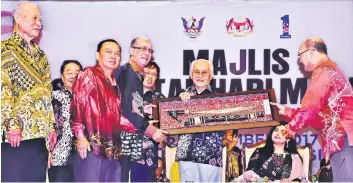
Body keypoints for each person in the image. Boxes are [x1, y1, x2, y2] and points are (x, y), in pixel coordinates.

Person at [271, 37, 353, 182]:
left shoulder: (323, 71)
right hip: (343, 137)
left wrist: (290, 128)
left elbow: (310, 108)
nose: (300, 60)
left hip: (343, 137)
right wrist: (287, 112)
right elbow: (320, 115)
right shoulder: (331, 70)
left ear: (312, 51)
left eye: (300, 55)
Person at [1, 1, 56, 181]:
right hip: (16, 137)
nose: (39, 23)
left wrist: (52, 128)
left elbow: (48, 94)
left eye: (40, 19)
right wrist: (11, 124)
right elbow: (3, 89)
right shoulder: (5, 49)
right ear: (18, 17)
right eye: (34, 18)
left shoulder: (41, 56)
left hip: (40, 138)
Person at [115, 36, 166, 182]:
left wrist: (143, 109)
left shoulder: (137, 75)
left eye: (150, 50)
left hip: (135, 147)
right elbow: (125, 109)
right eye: (142, 48)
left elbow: (131, 106)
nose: (147, 52)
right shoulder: (126, 72)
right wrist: (151, 130)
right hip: (125, 145)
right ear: (132, 50)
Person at [70, 39, 122, 182]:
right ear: (98, 55)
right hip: (91, 148)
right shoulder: (88, 74)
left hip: (112, 151)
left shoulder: (115, 84)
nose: (113, 56)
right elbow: (77, 106)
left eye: (117, 53)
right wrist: (80, 136)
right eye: (108, 52)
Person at [174, 59, 225, 182]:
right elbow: (171, 121)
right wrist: (179, 103)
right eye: (197, 72)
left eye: (204, 72)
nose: (200, 75)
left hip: (211, 156)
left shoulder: (221, 96)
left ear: (211, 76)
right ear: (191, 75)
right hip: (187, 156)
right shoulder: (180, 95)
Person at [130, 61, 166, 182]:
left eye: (154, 74)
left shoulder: (160, 100)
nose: (150, 77)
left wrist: (161, 158)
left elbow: (165, 131)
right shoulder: (127, 95)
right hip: (125, 153)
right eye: (147, 72)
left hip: (149, 155)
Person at [48, 60, 83, 182]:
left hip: (83, 159)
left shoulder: (88, 100)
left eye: (77, 73)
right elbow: (48, 126)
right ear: (62, 77)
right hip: (59, 158)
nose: (73, 76)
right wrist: (47, 151)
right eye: (69, 73)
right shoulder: (53, 97)